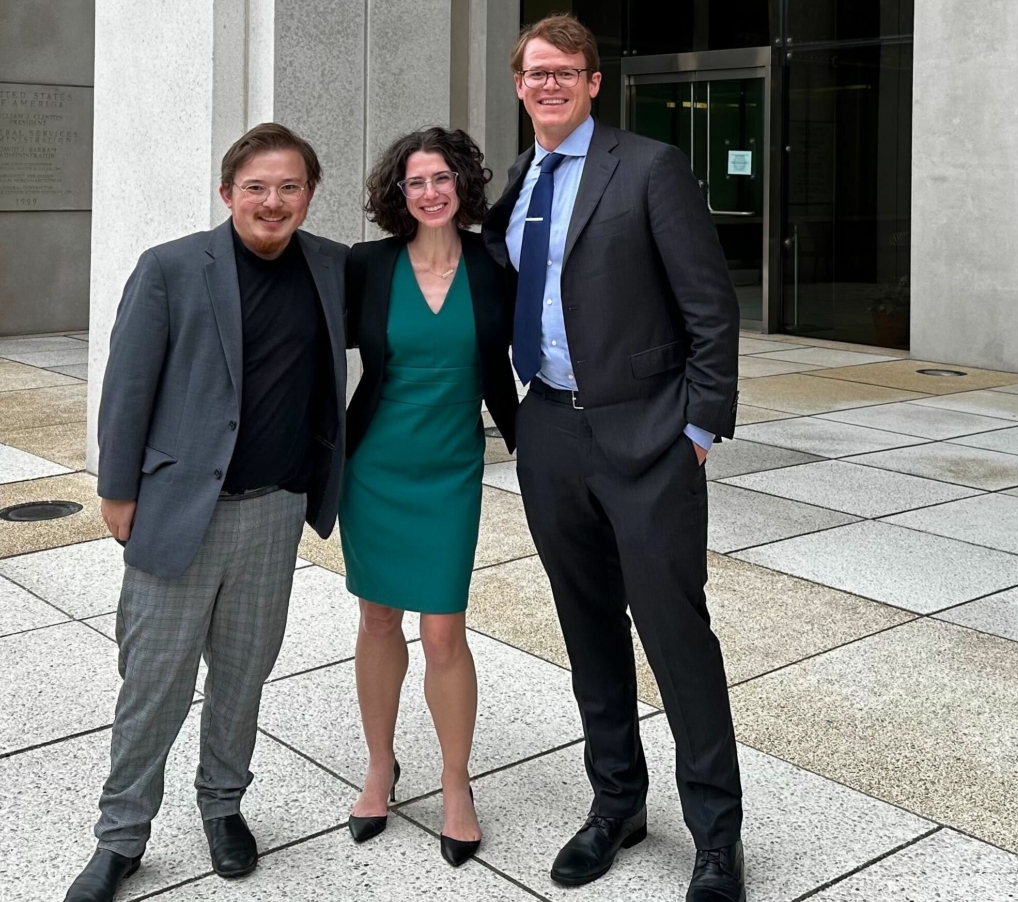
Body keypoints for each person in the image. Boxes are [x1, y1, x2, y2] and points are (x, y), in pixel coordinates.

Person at [482, 14, 745, 902]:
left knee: (676, 636)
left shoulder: (650, 167)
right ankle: (616, 805)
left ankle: (715, 836)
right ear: (518, 85)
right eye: (534, 73)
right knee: (588, 628)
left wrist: (700, 430)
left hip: (648, 433)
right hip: (551, 430)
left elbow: (711, 308)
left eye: (565, 71)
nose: (548, 85)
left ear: (595, 82)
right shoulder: (516, 182)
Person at [64, 123, 348, 902]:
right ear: (228, 193)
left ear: (309, 195)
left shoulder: (330, 267)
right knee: (153, 681)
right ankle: (120, 836)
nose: (273, 200)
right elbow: (126, 388)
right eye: (257, 186)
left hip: (276, 511)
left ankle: (223, 804)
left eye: (290, 186)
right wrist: (118, 492)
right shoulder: (171, 268)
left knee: (243, 677)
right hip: (180, 507)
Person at [341, 127, 517, 867]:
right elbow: (309, 349)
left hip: (450, 470)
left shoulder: (495, 266)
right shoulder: (367, 267)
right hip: (374, 466)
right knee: (379, 618)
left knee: (444, 631)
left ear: (462, 185)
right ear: (398, 193)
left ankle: (455, 782)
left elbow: (522, 358)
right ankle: (380, 767)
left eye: (442, 178)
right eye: (415, 182)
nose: (430, 192)